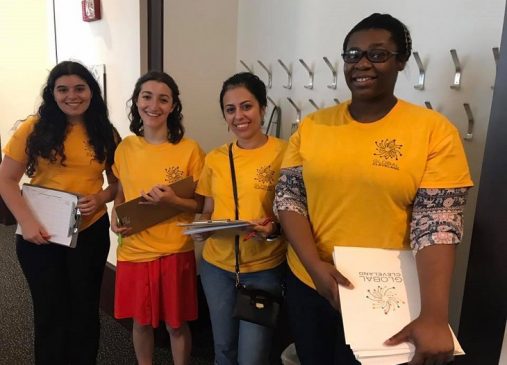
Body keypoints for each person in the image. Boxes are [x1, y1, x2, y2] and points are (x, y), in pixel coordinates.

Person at [274, 13, 474, 365]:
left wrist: (434, 315)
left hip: (383, 293)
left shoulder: (433, 131)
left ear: (400, 61)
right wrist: (316, 268)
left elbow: (438, 226)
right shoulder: (313, 125)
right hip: (308, 281)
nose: (362, 63)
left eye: (377, 54)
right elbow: (289, 199)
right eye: (352, 55)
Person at [0, 60, 120, 365]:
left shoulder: (105, 131)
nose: (72, 95)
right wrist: (26, 223)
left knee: (84, 310)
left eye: (80, 88)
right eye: (62, 89)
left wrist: (101, 197)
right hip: (40, 233)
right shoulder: (34, 128)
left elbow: (117, 183)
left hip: (89, 232)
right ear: (52, 93)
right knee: (50, 312)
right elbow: (6, 179)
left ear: (91, 92)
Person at [110, 71, 205, 365]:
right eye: (147, 97)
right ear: (137, 101)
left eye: (163, 99)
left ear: (173, 106)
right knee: (140, 322)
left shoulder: (189, 149)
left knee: (176, 324)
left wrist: (172, 200)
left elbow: (200, 205)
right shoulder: (125, 147)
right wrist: (115, 213)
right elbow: (121, 191)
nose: (154, 105)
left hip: (174, 250)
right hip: (135, 251)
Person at [195, 72, 287, 365]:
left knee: (253, 357)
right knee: (223, 349)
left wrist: (272, 228)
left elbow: (297, 212)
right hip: (216, 269)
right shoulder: (216, 158)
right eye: (230, 109)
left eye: (246, 106)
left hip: (263, 269)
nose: (239, 116)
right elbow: (208, 209)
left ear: (262, 107)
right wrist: (202, 227)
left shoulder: (285, 154)